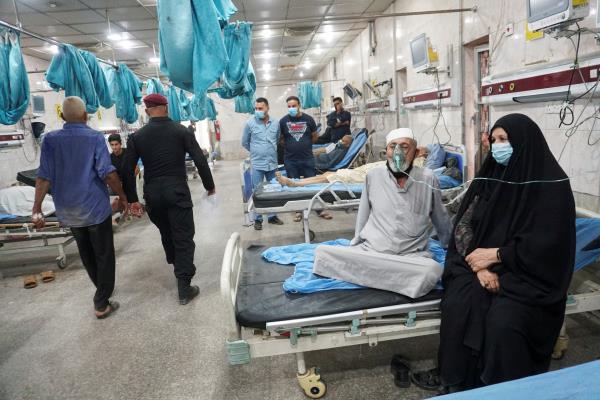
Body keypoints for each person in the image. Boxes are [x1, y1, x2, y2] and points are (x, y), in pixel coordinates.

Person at [434, 114, 575, 393]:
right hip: (479, 266)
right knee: (460, 304)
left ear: (524, 142)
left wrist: (499, 256)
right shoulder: (489, 177)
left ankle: (502, 389)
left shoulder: (551, 186)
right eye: (494, 140)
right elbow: (463, 225)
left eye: (504, 140)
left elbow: (549, 245)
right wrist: (479, 265)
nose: (497, 146)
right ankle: (460, 383)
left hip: (528, 275)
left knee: (504, 323)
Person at [313, 128, 452, 298]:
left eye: (404, 146)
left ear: (415, 152)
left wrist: (449, 245)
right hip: (373, 250)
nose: (398, 152)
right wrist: (356, 241)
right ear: (386, 151)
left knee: (432, 270)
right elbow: (363, 213)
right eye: (393, 146)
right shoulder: (373, 176)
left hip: (411, 255)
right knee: (322, 253)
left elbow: (441, 217)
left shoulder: (428, 178)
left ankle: (373, 274)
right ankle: (397, 279)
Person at [32, 96, 127, 319]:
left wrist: (37, 208)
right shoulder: (94, 137)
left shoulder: (50, 140)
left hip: (68, 209)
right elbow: (107, 172)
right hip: (94, 207)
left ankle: (101, 294)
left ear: (62, 116)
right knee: (104, 254)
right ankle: (101, 301)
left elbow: (43, 176)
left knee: (86, 253)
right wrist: (122, 196)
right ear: (85, 116)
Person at [121, 93, 216, 305]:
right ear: (166, 107)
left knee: (167, 232)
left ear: (147, 111)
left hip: (153, 195)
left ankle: (176, 264)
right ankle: (184, 287)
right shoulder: (181, 131)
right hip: (177, 192)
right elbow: (200, 159)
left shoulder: (138, 137)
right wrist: (209, 186)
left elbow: (127, 170)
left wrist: (132, 199)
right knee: (182, 236)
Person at [280, 95, 332, 220]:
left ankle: (319, 209)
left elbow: (315, 137)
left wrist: (304, 145)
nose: (291, 108)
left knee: (313, 184)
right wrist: (293, 146)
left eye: (294, 106)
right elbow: (281, 139)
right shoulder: (283, 121)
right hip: (290, 159)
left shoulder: (308, 119)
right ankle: (298, 211)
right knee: (294, 185)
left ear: (299, 106)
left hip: (307, 158)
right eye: (289, 106)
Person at [241, 97, 284, 231]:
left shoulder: (275, 123)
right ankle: (258, 219)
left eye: (261, 108)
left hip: (272, 163)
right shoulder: (250, 123)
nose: (258, 111)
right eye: (256, 109)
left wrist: (268, 151)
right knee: (257, 192)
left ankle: (272, 216)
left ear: (267, 108)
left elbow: (277, 139)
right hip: (258, 164)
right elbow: (245, 142)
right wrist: (256, 151)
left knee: (274, 190)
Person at [276, 160, 386, 187]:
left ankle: (296, 184)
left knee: (332, 176)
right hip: (362, 170)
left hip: (366, 176)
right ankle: (298, 180)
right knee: (328, 172)